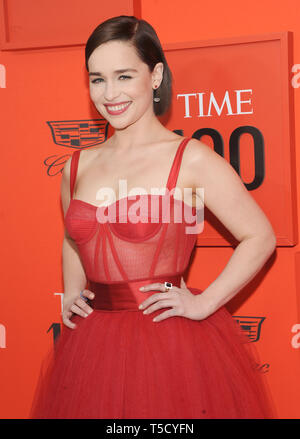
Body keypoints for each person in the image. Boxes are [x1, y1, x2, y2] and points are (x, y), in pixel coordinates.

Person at [29, 15, 277, 419]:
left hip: (169, 343)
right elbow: (74, 237)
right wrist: (72, 292)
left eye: (124, 76)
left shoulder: (190, 159)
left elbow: (259, 236)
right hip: (93, 344)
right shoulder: (77, 166)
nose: (110, 94)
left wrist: (205, 303)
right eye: (97, 79)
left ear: (156, 74)